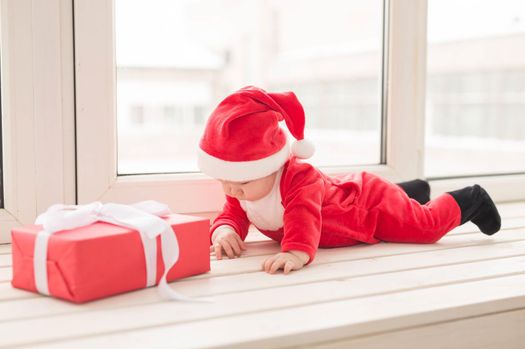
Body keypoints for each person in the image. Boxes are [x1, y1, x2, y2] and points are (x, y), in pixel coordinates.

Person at [198, 86, 501, 274]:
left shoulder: (298, 179)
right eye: (223, 179)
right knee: (400, 203)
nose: (230, 189)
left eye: (241, 182)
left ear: (271, 164)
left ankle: (471, 199)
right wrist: (224, 231)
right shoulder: (241, 185)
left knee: (425, 227)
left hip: (368, 207)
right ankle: (412, 190)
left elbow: (303, 216)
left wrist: (294, 252)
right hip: (349, 192)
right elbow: (232, 212)